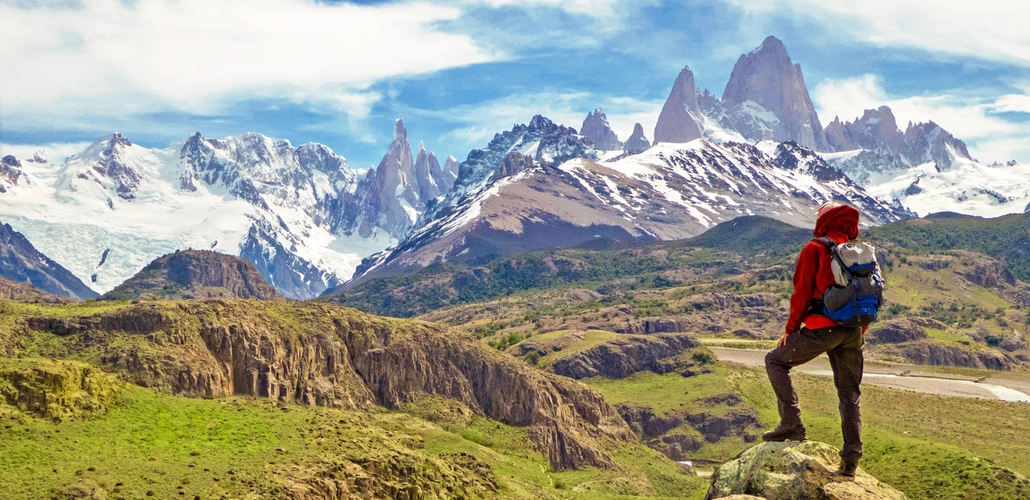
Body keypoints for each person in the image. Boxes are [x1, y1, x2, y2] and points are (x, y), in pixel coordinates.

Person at [763, 201, 865, 478]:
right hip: (853, 331)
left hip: (823, 328)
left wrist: (790, 330)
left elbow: (801, 293)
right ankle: (850, 462)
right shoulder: (858, 251)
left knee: (775, 361)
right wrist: (857, 330)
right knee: (849, 396)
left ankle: (792, 424)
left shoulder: (815, 248)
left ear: (824, 220)